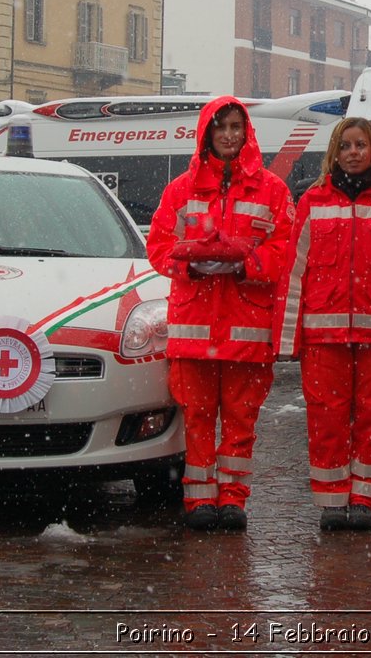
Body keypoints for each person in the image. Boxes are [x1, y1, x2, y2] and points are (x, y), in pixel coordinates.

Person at [145, 97, 295, 531]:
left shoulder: (272, 190)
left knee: (240, 419)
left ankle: (233, 500)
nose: (229, 135)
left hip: (247, 330)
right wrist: (189, 265)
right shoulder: (180, 190)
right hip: (194, 331)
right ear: (207, 133)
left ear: (247, 132)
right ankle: (199, 502)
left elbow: (285, 249)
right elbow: (157, 247)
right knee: (197, 417)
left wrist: (246, 266)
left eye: (235, 127)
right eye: (221, 127)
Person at [277, 117, 371, 532]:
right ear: (334, 154)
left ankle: (364, 500)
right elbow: (294, 273)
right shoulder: (312, 202)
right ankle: (331, 500)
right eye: (346, 146)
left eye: (361, 145)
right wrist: (288, 337)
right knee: (327, 418)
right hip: (323, 338)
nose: (354, 152)